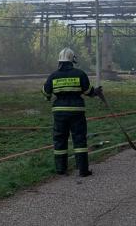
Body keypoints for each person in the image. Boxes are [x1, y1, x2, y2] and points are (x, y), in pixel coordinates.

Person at [42, 48, 102, 177]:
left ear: (60, 61)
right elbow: (88, 92)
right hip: (77, 112)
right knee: (79, 140)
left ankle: (61, 169)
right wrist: (96, 92)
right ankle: (83, 170)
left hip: (59, 113)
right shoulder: (80, 74)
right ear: (72, 60)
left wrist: (48, 97)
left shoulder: (53, 75)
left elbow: (46, 92)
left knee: (60, 140)